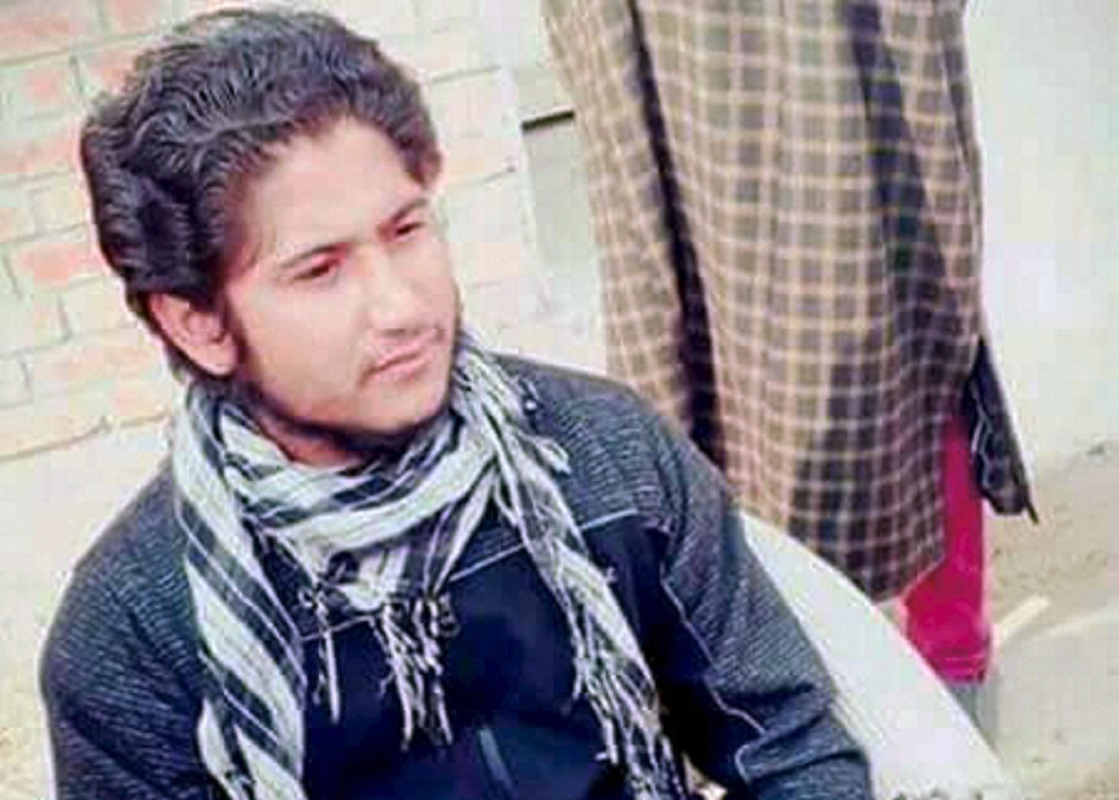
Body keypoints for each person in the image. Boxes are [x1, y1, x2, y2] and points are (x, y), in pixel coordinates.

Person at [39, 9, 872, 800]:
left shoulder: (606, 457)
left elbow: (790, 743)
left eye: (405, 230)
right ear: (200, 324)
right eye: (320, 270)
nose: (401, 305)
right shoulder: (134, 631)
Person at [541, 0, 1036, 715]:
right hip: (671, 66)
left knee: (905, 326)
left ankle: (944, 682)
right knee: (724, 384)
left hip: (836, 65)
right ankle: (806, 702)